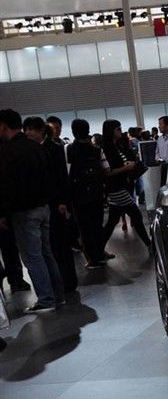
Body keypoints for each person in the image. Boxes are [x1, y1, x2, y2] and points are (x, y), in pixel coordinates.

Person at [0, 109, 65, 313]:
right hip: (43, 207)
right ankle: (58, 295)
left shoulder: (9, 151)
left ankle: (46, 299)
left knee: (32, 257)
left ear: (4, 125)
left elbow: (8, 185)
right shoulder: (36, 146)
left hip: (24, 211)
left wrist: (3, 212)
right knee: (46, 253)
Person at [22, 116, 78, 293]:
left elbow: (62, 177)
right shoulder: (32, 149)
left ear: (41, 130)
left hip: (56, 202)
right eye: (26, 129)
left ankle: (68, 282)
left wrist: (63, 202)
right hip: (43, 202)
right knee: (49, 246)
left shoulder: (54, 148)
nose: (28, 133)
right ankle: (58, 282)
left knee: (60, 243)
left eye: (31, 129)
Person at [99, 120, 151, 252]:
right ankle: (150, 246)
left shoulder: (115, 145)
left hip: (119, 186)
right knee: (136, 215)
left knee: (113, 220)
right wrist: (126, 167)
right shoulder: (107, 148)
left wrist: (126, 165)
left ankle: (98, 251)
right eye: (118, 129)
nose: (120, 131)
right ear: (111, 131)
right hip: (116, 188)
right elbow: (108, 172)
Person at [67, 119, 107, 269]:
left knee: (84, 228)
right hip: (97, 192)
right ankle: (100, 254)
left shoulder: (68, 149)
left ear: (73, 132)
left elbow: (67, 173)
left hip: (78, 194)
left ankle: (92, 259)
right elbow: (106, 169)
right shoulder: (97, 150)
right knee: (97, 225)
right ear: (88, 130)